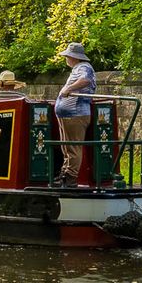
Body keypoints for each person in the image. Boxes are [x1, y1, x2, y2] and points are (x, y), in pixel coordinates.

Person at [51, 42, 96, 186]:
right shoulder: (78, 68)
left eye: (67, 56)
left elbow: (86, 80)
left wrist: (68, 89)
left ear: (73, 57)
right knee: (67, 146)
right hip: (68, 114)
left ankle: (70, 177)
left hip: (75, 114)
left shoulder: (84, 67)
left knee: (73, 147)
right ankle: (65, 174)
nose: (66, 59)